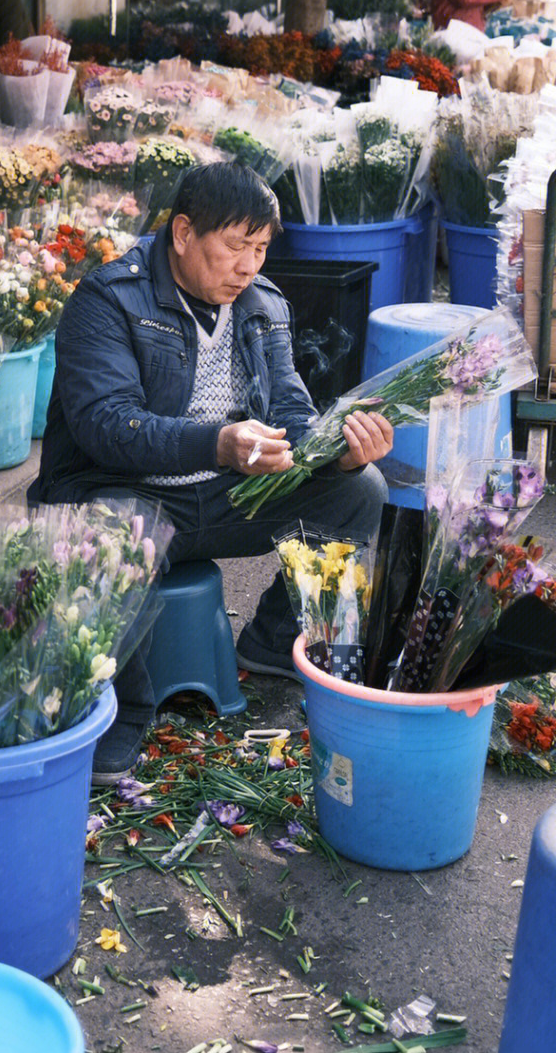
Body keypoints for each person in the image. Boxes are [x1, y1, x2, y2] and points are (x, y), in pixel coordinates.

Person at [27, 162, 394, 781]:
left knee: (361, 491)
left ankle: (275, 641)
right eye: (233, 247)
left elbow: (290, 411)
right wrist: (217, 444)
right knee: (107, 535)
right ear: (182, 233)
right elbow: (107, 426)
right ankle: (118, 710)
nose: (248, 266)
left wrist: (339, 447)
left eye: (259, 249)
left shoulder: (263, 304)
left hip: (224, 496)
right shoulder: (108, 300)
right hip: (121, 491)